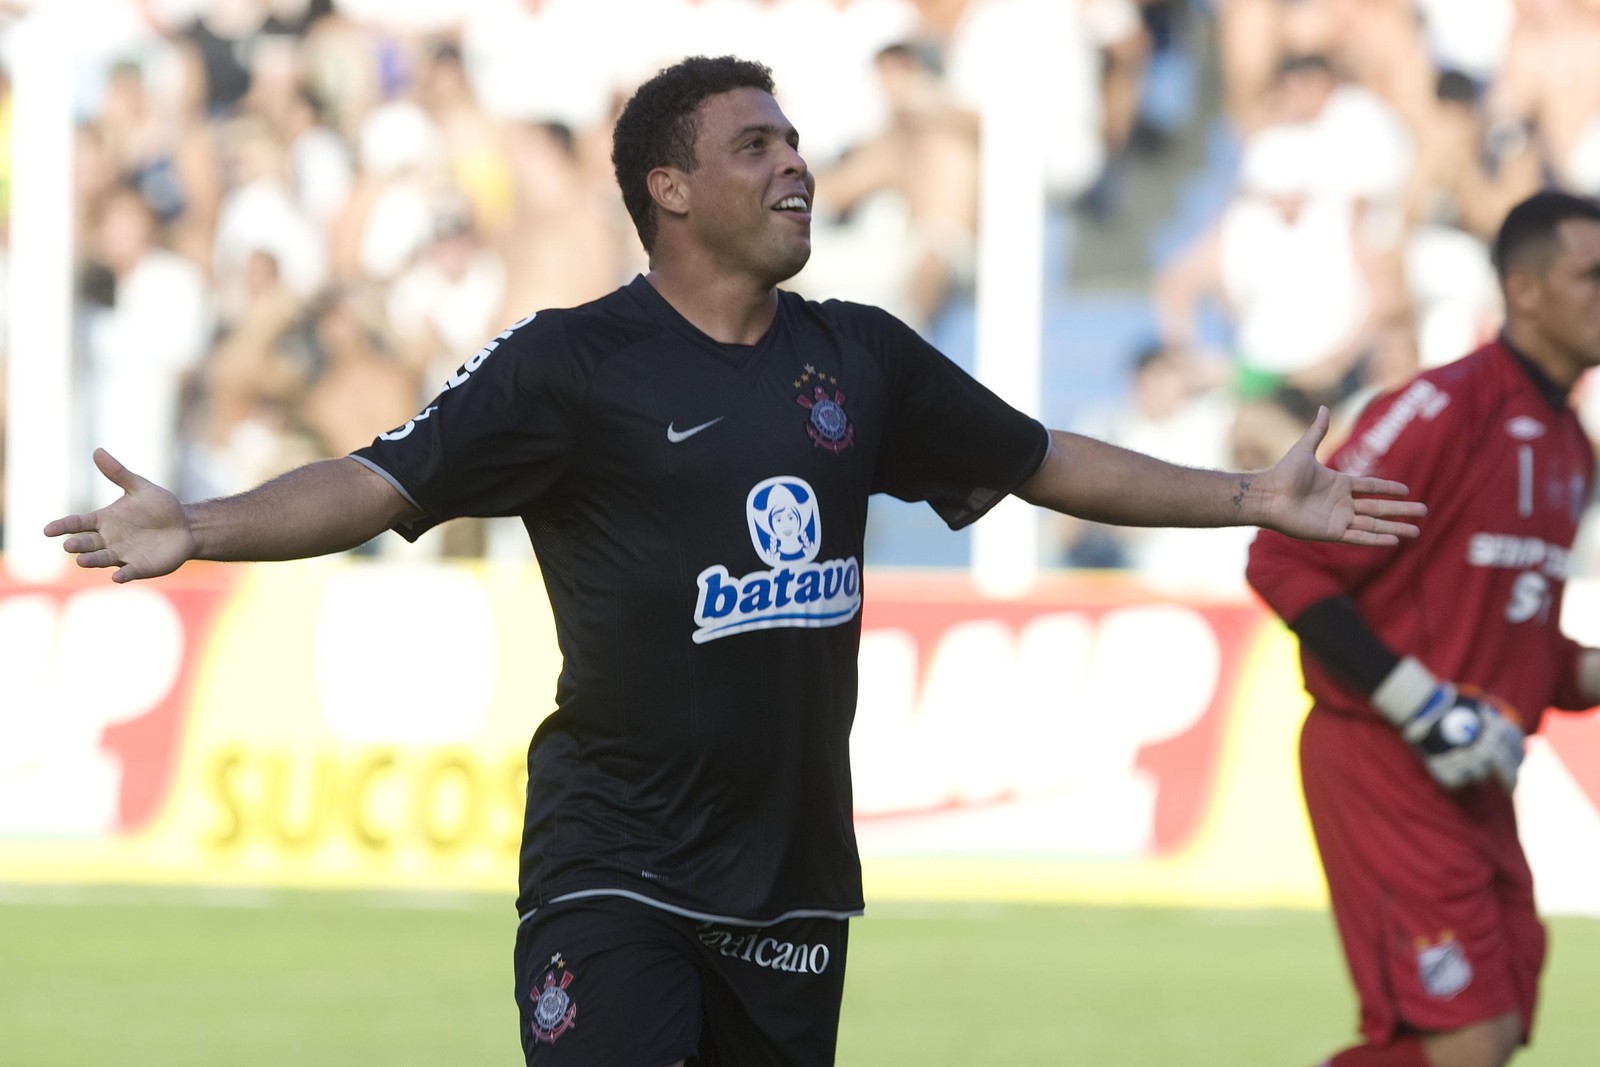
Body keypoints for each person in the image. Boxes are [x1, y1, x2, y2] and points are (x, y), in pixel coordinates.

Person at [47, 56, 1424, 1067]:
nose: (796, 166)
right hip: (616, 864)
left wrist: (1252, 492)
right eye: (756, 146)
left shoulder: (860, 355)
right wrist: (202, 521)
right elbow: (378, 476)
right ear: (671, 187)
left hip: (793, 872)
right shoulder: (569, 362)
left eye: (796, 142)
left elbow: (1038, 457)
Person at [1246, 190, 1600, 1067]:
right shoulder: (1446, 405)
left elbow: (1530, 654)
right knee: (1468, 1037)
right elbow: (1279, 560)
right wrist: (1423, 703)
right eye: (1591, 275)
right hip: (1385, 757)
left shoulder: (1571, 445)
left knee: (1502, 1019)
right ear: (1523, 289)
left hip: (1474, 771)